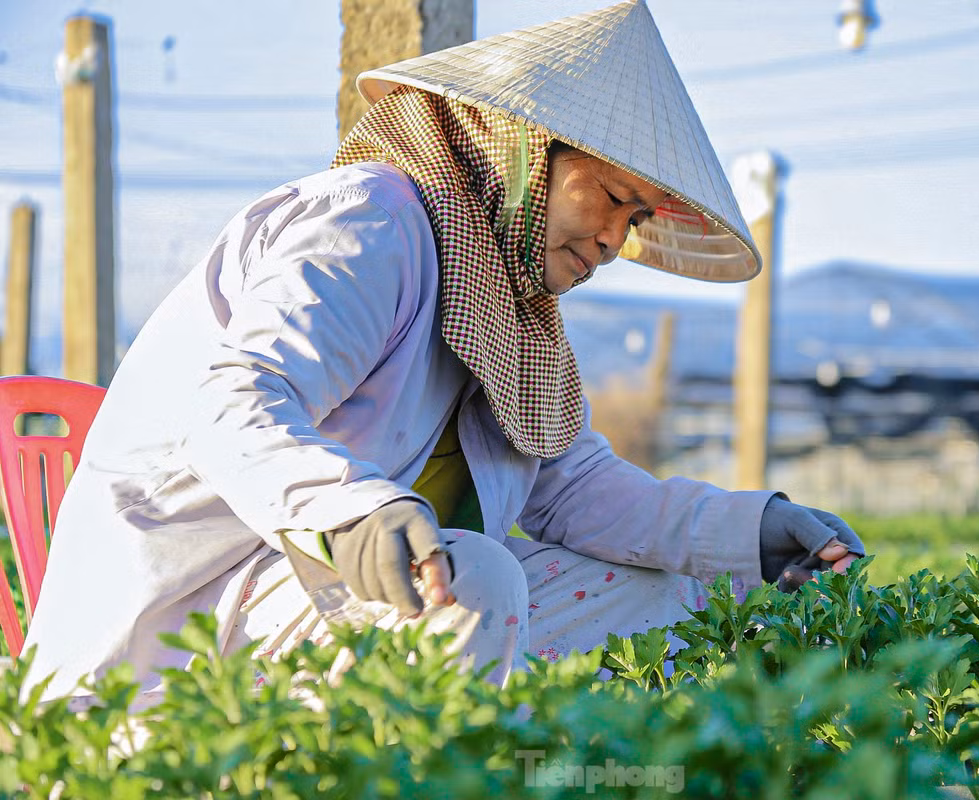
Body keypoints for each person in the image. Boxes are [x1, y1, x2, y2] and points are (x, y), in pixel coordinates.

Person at [23, 0, 864, 705]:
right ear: (525, 149)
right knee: (476, 581)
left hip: (322, 608)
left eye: (635, 219)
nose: (614, 241)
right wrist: (351, 511)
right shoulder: (371, 225)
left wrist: (750, 531)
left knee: (677, 595)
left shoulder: (512, 311)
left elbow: (575, 490)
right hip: (192, 614)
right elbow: (231, 406)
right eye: (611, 197)